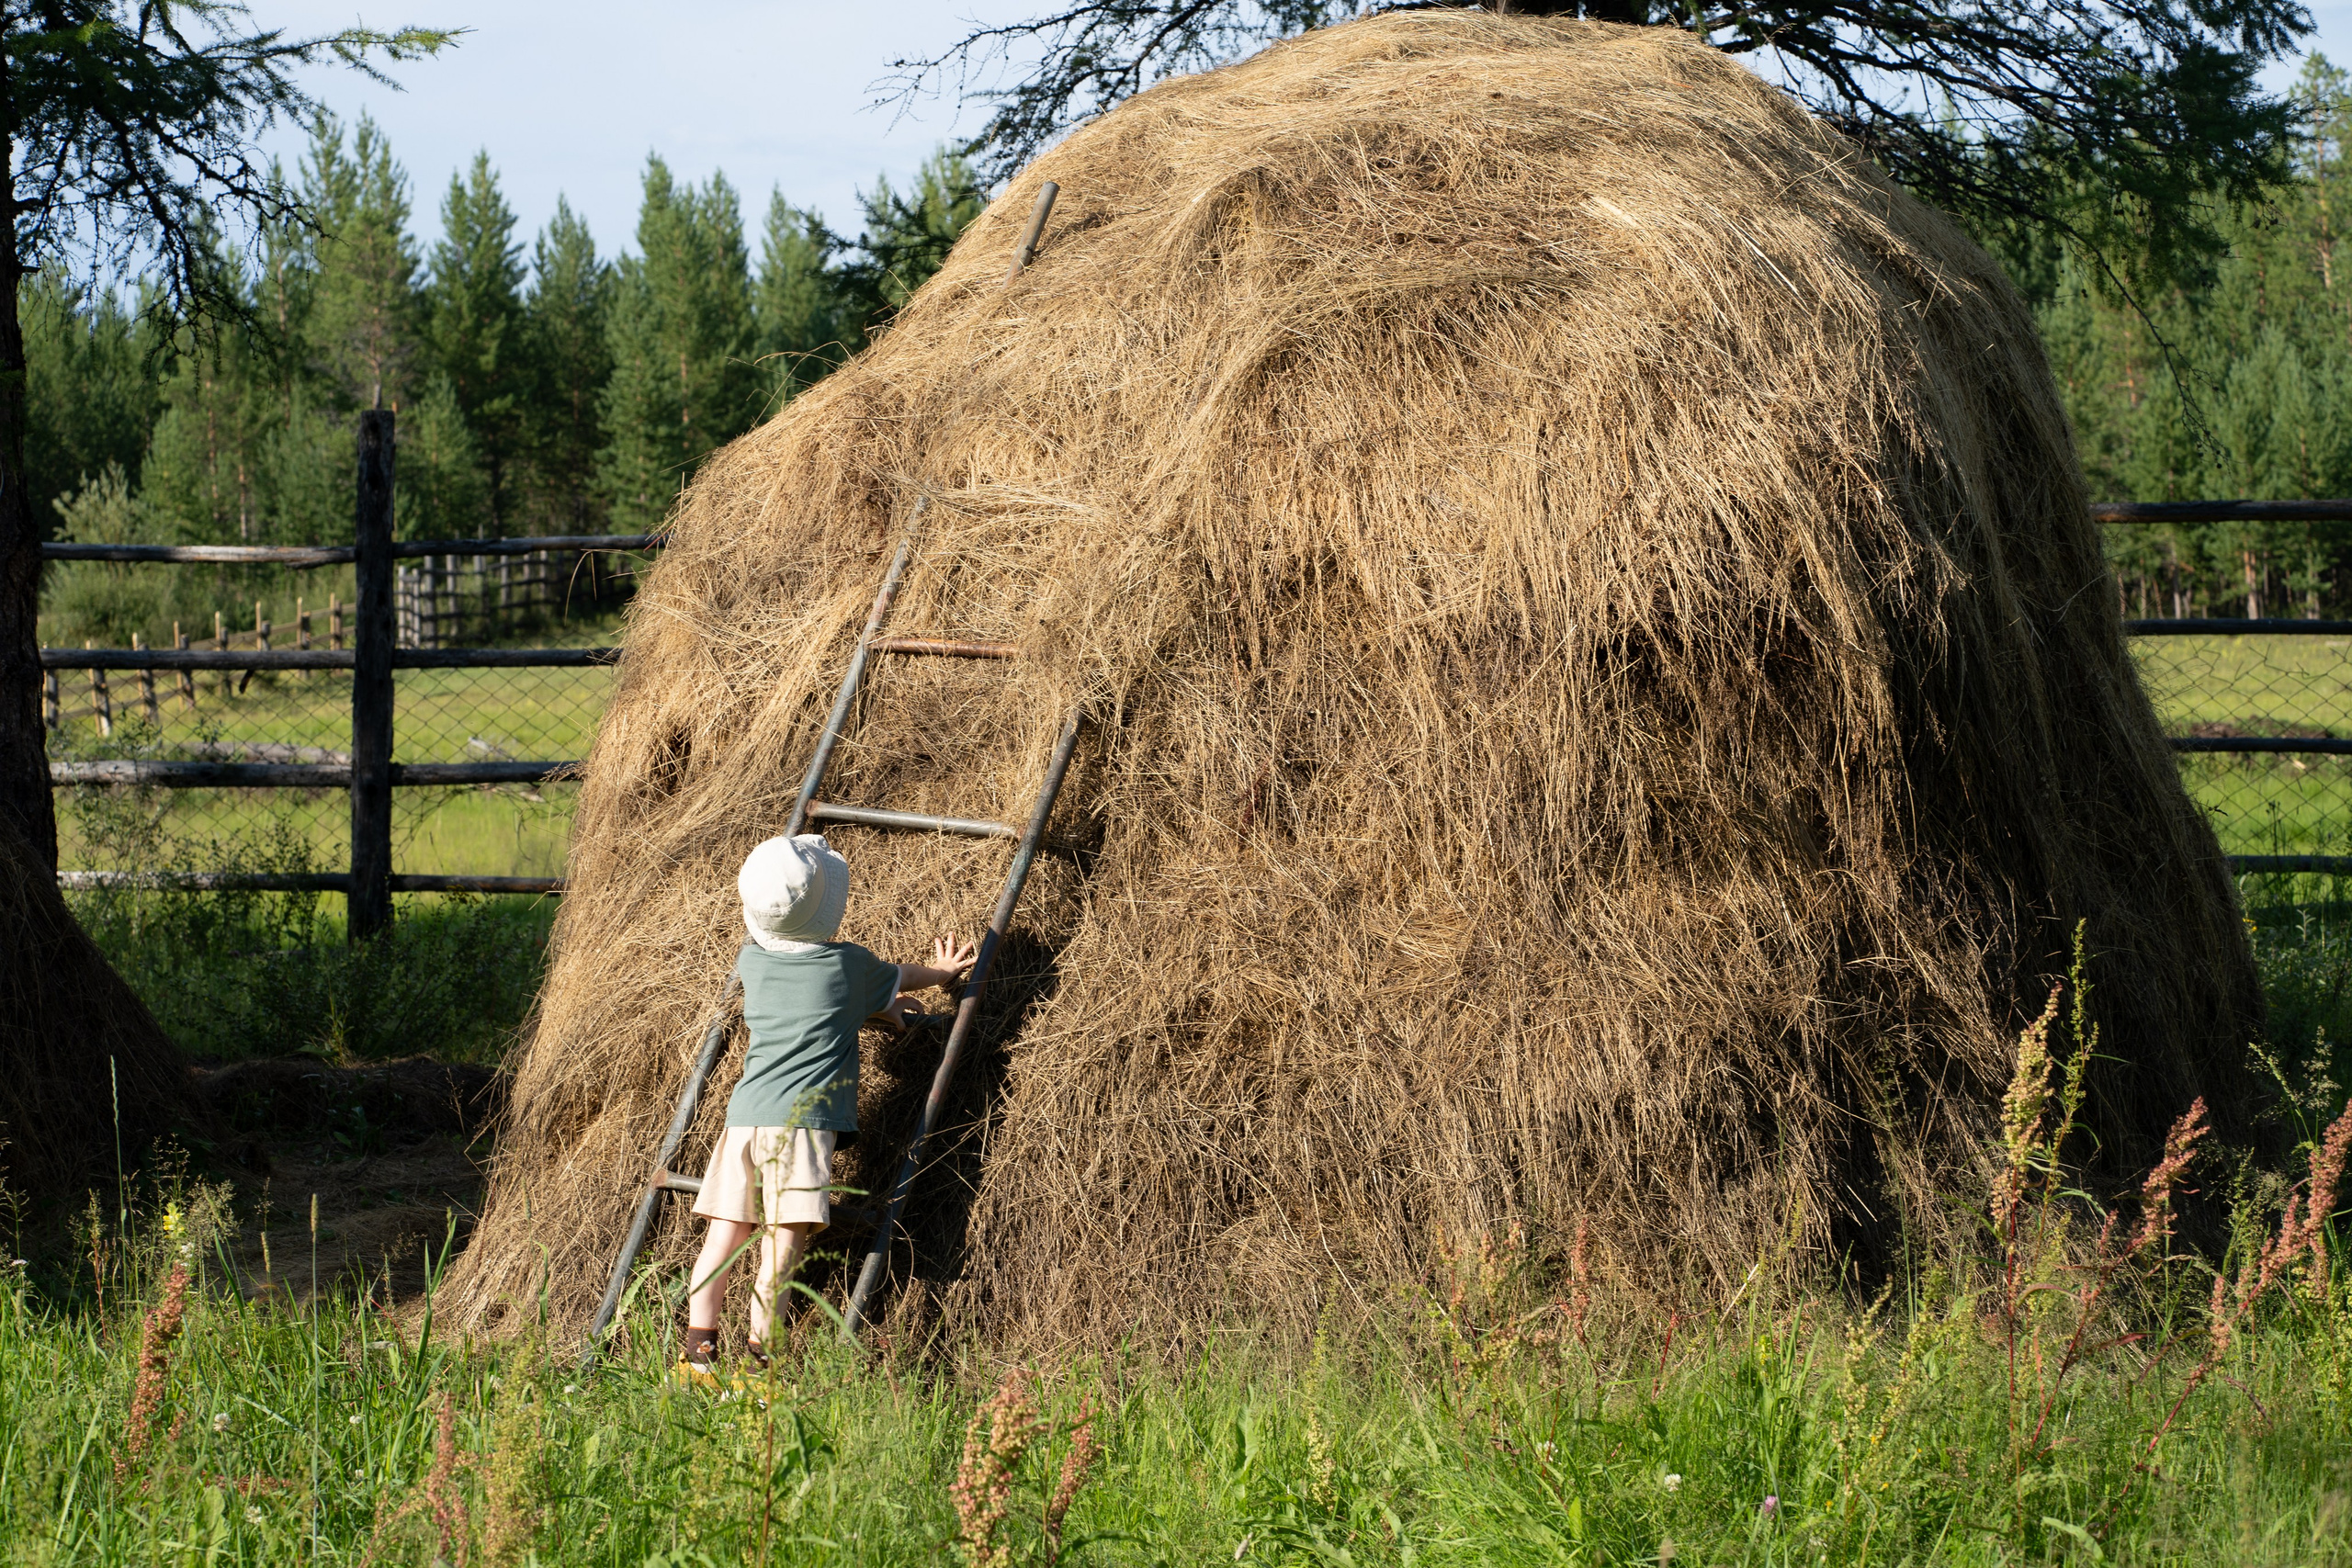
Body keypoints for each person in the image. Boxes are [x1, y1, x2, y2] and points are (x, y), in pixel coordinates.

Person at [676, 832, 975, 1384]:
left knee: (723, 1237)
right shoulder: (850, 967)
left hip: (744, 1117)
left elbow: (819, 1003)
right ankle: (761, 1370)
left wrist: (878, 1008)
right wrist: (940, 976)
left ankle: (697, 1358)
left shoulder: (752, 961)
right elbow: (899, 980)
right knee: (781, 1249)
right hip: (801, 1128)